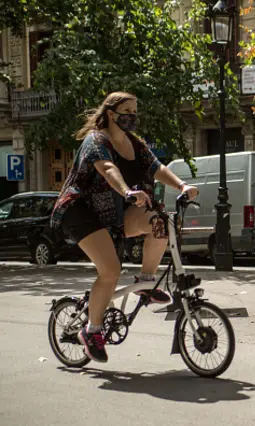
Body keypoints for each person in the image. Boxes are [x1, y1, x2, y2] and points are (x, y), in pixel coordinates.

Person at [50, 91, 199, 363]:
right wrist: (127, 191)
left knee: (160, 222)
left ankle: (145, 281)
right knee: (111, 271)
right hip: (80, 211)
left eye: (135, 111)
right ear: (111, 113)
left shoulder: (134, 144)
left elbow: (156, 167)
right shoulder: (96, 140)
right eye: (127, 110)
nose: (132, 116)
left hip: (112, 212)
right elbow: (107, 169)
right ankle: (92, 330)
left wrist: (182, 185)